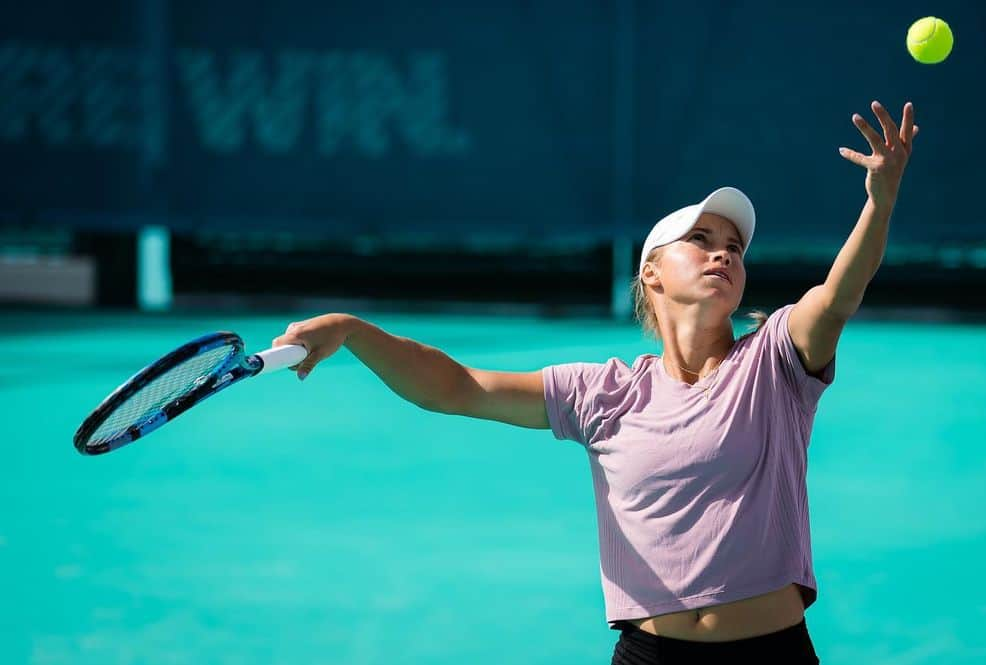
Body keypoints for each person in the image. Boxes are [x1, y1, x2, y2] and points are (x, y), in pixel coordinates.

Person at [272, 100, 917, 664]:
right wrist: (354, 330)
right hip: (649, 656)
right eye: (702, 239)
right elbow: (457, 386)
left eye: (735, 247)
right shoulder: (601, 393)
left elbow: (836, 296)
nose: (724, 252)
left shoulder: (775, 360)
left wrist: (878, 205)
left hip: (771, 653)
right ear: (653, 277)